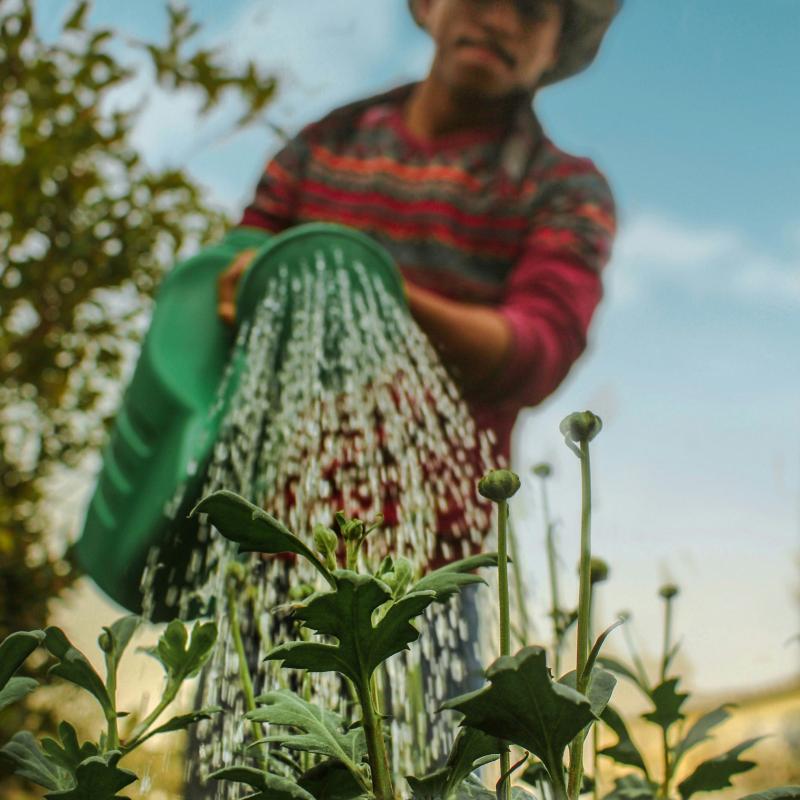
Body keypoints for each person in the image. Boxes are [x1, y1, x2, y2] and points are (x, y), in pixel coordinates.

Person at [189, 0, 622, 791]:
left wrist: (372, 284)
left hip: (423, 580)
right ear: (427, 5)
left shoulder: (561, 187)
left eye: (531, 9)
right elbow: (235, 274)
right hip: (274, 550)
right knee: (240, 775)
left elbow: (536, 347)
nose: (498, 18)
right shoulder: (326, 144)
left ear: (562, 39)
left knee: (418, 775)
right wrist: (240, 281)